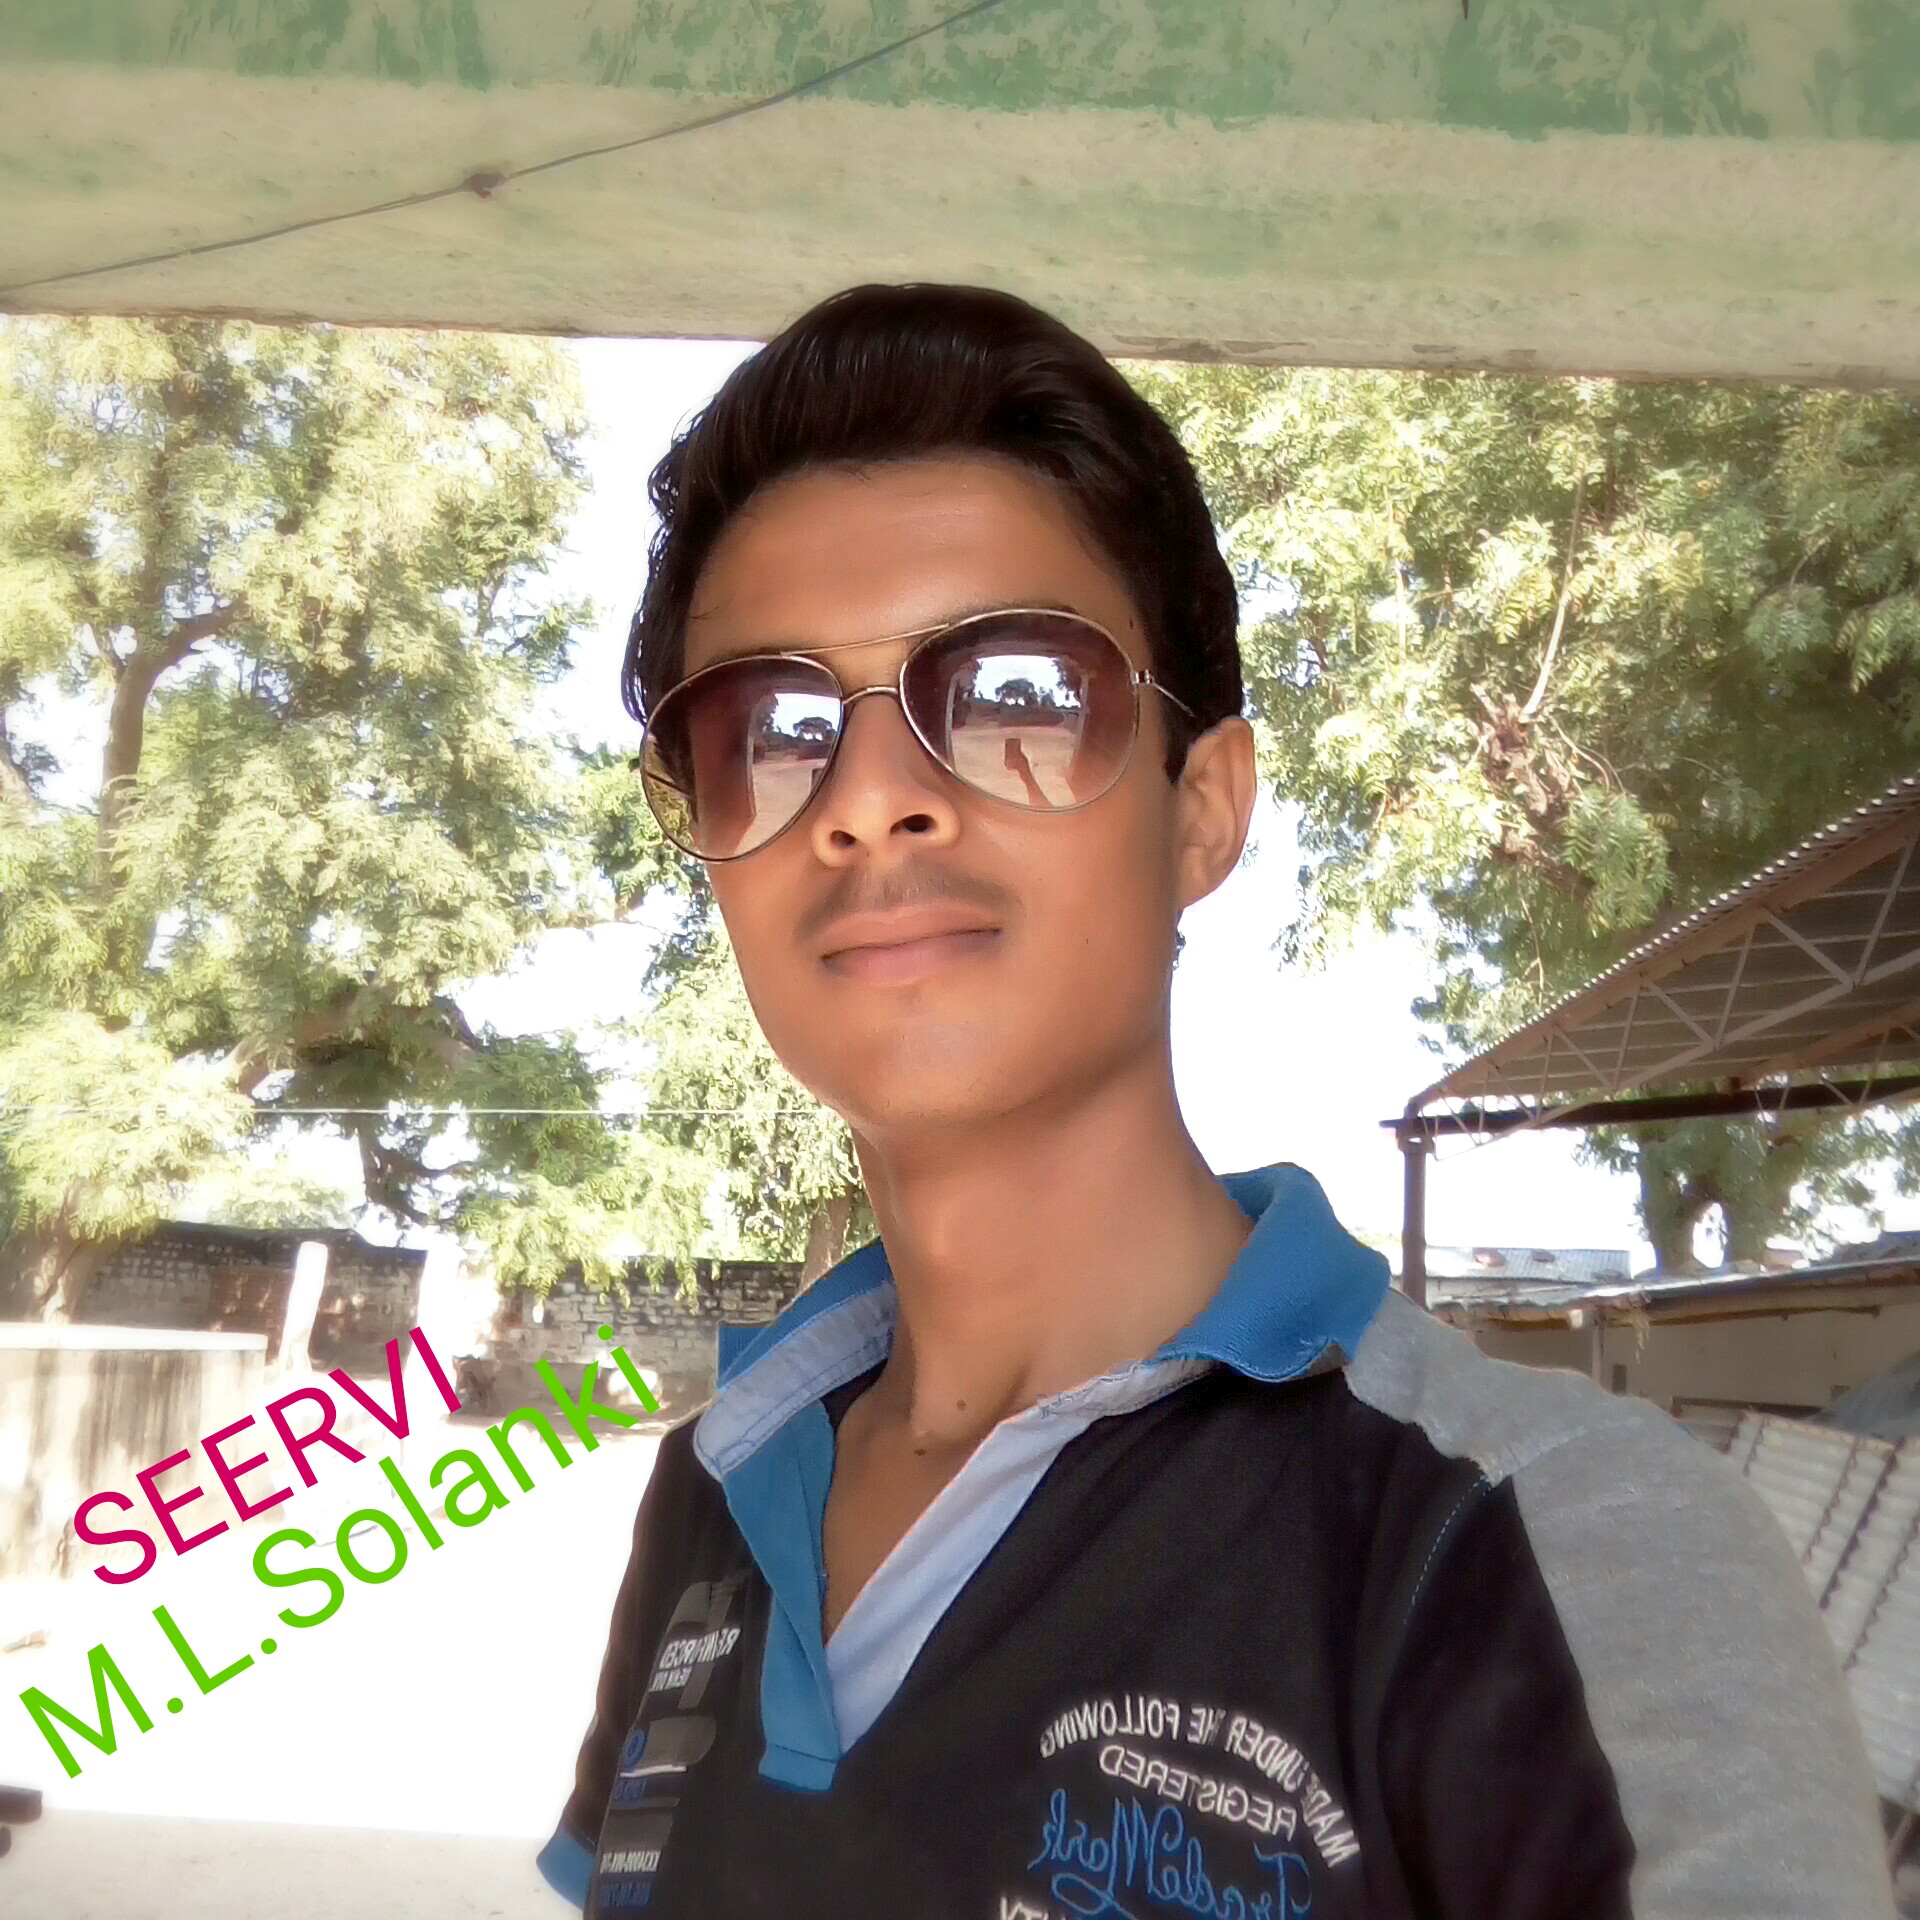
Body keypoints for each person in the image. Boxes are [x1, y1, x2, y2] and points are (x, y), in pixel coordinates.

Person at [538, 285, 1894, 1919]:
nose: (870, 800)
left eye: (1018, 695)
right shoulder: (715, 1488)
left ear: (1203, 813)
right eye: (771, 728)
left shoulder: (1549, 1542)